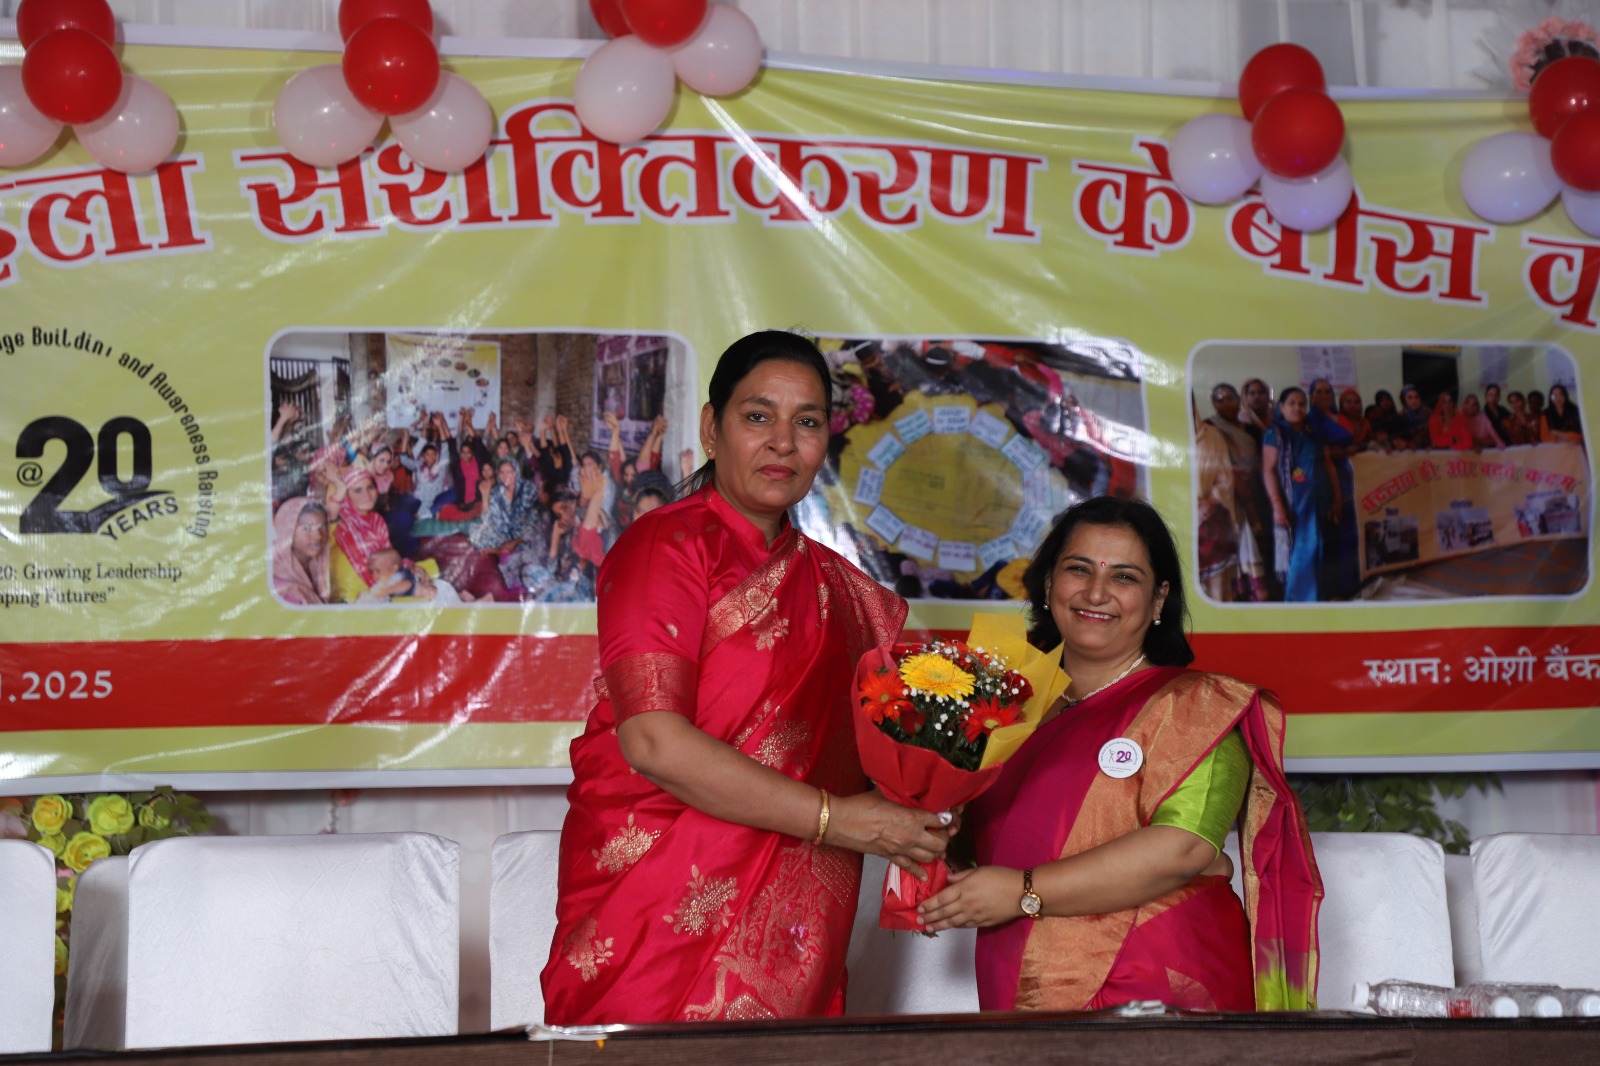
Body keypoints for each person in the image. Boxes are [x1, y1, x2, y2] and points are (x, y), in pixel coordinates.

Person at [541, 330, 952, 1025]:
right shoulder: (667, 545)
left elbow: (878, 750)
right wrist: (837, 820)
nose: (783, 442)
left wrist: (928, 808)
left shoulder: (838, 590)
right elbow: (653, 742)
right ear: (712, 428)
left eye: (808, 422)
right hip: (653, 903)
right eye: (758, 416)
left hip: (792, 921)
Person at [918, 496, 1321, 1012]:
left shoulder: (1197, 705)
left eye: (1124, 577)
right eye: (1078, 569)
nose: (1096, 592)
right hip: (1022, 975)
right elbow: (990, 845)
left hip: (1160, 982)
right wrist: (937, 838)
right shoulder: (1001, 712)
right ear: (1048, 583)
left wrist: (1023, 890)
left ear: (1158, 599)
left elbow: (1185, 848)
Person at [1262, 387, 1338, 602]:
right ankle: (1299, 602)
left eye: (1302, 404)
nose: (1297, 408)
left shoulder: (1313, 434)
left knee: (1318, 549)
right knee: (1299, 552)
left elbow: (1328, 464)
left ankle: (1316, 599)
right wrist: (1277, 507)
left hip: (1318, 500)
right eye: (1292, 403)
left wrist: (1337, 498)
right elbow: (1268, 470)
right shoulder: (1275, 434)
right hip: (1292, 502)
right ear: (1281, 407)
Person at [271, 497, 330, 605]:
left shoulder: (315, 565)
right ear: (288, 532)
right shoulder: (283, 592)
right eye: (307, 528)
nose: (318, 536)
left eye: (322, 527)